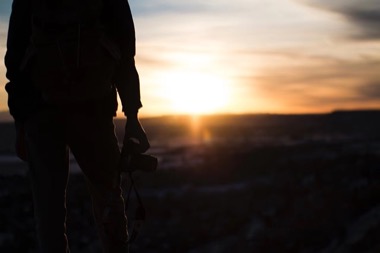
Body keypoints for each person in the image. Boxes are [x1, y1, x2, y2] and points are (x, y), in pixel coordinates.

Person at [4, 0, 150, 252]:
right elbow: (126, 55)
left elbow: (15, 61)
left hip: (41, 111)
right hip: (93, 110)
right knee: (108, 197)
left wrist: (20, 122)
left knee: (48, 212)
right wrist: (133, 117)